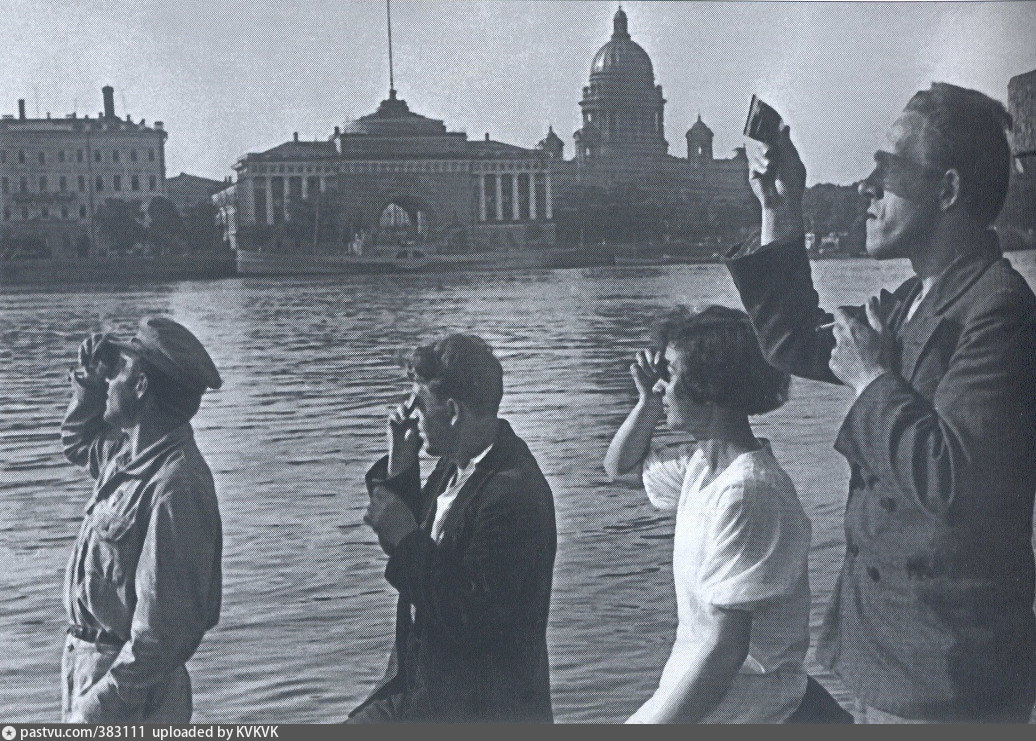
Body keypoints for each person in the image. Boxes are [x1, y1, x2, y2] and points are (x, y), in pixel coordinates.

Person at [725, 82, 1036, 722]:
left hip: (949, 681)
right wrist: (782, 213)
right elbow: (791, 343)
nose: (867, 188)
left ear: (947, 191)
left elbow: (958, 480)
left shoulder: (1000, 310)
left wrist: (872, 379)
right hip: (890, 661)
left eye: (885, 171)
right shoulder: (917, 302)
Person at [604, 305, 814, 723]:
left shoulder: (748, 492)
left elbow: (725, 651)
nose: (662, 387)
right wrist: (647, 404)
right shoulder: (702, 466)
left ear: (710, 387)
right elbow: (619, 468)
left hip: (747, 708)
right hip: (701, 691)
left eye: (672, 375)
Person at [351, 333, 557, 722]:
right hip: (421, 689)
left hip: (478, 708)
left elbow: (470, 614)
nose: (412, 415)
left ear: (453, 411)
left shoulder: (514, 493)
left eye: (421, 405)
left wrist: (407, 539)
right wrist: (400, 464)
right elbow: (415, 545)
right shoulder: (457, 466)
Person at [60, 316, 223, 723]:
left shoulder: (176, 486)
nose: (109, 382)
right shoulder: (128, 457)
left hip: (130, 695)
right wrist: (93, 381)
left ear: (141, 387)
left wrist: (100, 706)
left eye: (117, 373)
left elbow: (161, 636)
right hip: (95, 673)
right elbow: (78, 442)